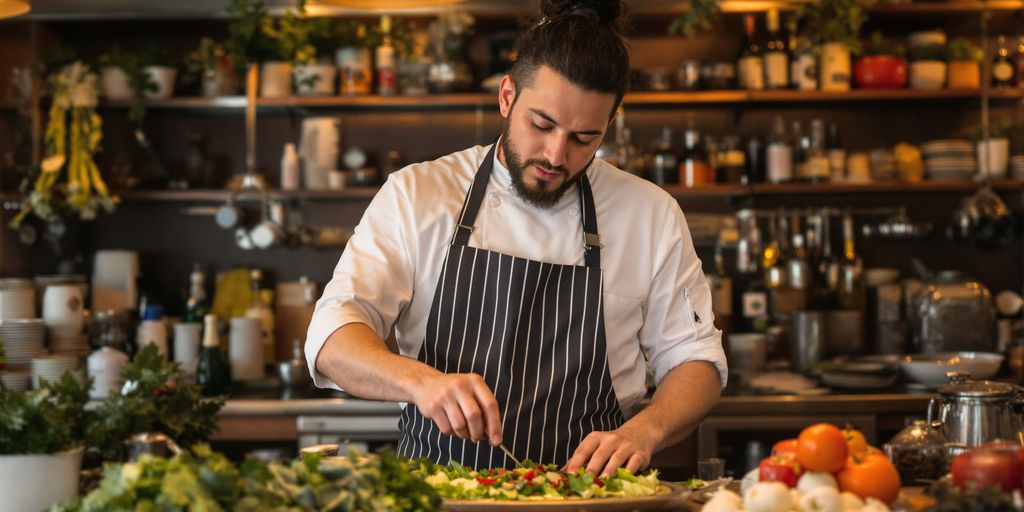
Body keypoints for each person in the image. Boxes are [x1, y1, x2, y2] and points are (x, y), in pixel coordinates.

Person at [306, 0, 727, 476]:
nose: (555, 154)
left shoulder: (649, 214)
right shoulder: (418, 194)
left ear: (609, 126)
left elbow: (697, 362)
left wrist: (644, 432)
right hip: (442, 495)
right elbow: (332, 336)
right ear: (507, 96)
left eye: (583, 138)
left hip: (587, 496)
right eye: (541, 124)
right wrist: (419, 382)